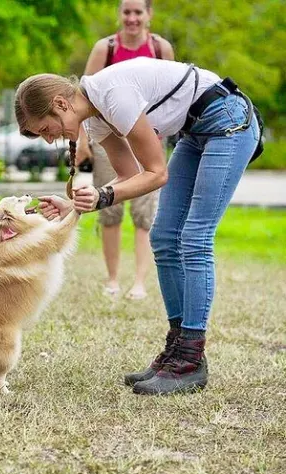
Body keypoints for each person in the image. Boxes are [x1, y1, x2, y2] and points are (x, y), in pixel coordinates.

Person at [15, 57, 260, 395]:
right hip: (195, 130)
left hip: (227, 121)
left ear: (60, 103)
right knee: (163, 237)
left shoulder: (112, 94)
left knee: (194, 237)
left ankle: (190, 358)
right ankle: (177, 350)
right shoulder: (97, 118)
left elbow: (156, 173)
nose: (47, 139)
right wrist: (72, 204)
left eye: (45, 128)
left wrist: (100, 196)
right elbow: (129, 177)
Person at [77, 0, 174, 299]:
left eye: (138, 12)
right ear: (119, 15)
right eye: (127, 12)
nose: (132, 18)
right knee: (109, 205)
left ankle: (140, 282)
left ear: (149, 15)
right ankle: (112, 279)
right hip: (109, 140)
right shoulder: (104, 49)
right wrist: (82, 142)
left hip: (150, 139)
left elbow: (169, 94)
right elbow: (83, 98)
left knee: (145, 212)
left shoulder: (161, 48)